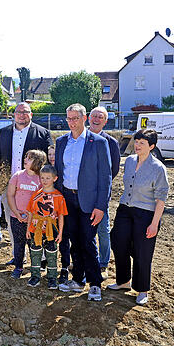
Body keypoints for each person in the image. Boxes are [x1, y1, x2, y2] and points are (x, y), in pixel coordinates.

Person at [55, 103, 112, 302]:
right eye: (69, 118)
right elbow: (59, 173)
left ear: (84, 118)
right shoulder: (62, 142)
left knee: (88, 241)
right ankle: (78, 280)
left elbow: (105, 177)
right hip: (67, 199)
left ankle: (95, 283)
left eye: (75, 118)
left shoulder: (97, 142)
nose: (72, 122)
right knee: (74, 241)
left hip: (89, 201)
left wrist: (101, 206)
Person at [108, 129, 169, 305]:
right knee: (118, 242)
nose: (137, 145)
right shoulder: (129, 161)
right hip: (125, 210)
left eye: (142, 143)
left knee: (143, 251)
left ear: (152, 146)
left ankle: (142, 289)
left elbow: (161, 198)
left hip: (146, 213)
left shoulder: (158, 168)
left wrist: (154, 224)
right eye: (137, 141)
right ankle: (123, 281)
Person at [0, 102, 53, 262]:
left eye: (25, 112)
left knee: (38, 221)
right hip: (10, 186)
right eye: (18, 112)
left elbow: (49, 161)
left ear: (31, 114)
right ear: (14, 115)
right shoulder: (4, 132)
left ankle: (42, 256)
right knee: (13, 221)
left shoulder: (42, 133)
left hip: (35, 187)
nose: (21, 115)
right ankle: (18, 256)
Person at [88, 106, 121, 277]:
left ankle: (103, 262)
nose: (96, 119)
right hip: (82, 195)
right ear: (88, 118)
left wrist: (100, 188)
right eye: (94, 116)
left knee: (102, 229)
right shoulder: (81, 138)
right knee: (84, 229)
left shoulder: (111, 143)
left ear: (105, 121)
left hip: (100, 195)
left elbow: (113, 171)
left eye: (100, 117)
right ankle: (87, 259)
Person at [5, 150, 46, 279]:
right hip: (17, 217)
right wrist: (16, 213)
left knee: (34, 243)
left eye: (29, 158)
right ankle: (18, 267)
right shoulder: (17, 176)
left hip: (34, 219)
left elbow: (44, 199)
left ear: (37, 163)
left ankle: (35, 268)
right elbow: (10, 195)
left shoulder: (41, 179)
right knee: (18, 242)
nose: (25, 159)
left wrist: (33, 216)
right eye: (25, 157)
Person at [25, 165, 68, 289]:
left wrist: (60, 233)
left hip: (51, 230)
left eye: (48, 178)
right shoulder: (35, 195)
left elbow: (61, 216)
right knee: (35, 252)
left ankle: (52, 278)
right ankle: (35, 276)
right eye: (42, 178)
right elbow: (31, 213)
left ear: (55, 179)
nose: (44, 180)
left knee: (51, 253)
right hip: (36, 228)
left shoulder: (59, 197)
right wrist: (28, 229)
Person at [47, 143, 70, 284]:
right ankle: (50, 266)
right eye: (49, 154)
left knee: (64, 240)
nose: (52, 157)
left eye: (54, 154)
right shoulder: (46, 170)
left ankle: (65, 267)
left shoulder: (63, 170)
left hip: (63, 210)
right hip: (49, 212)